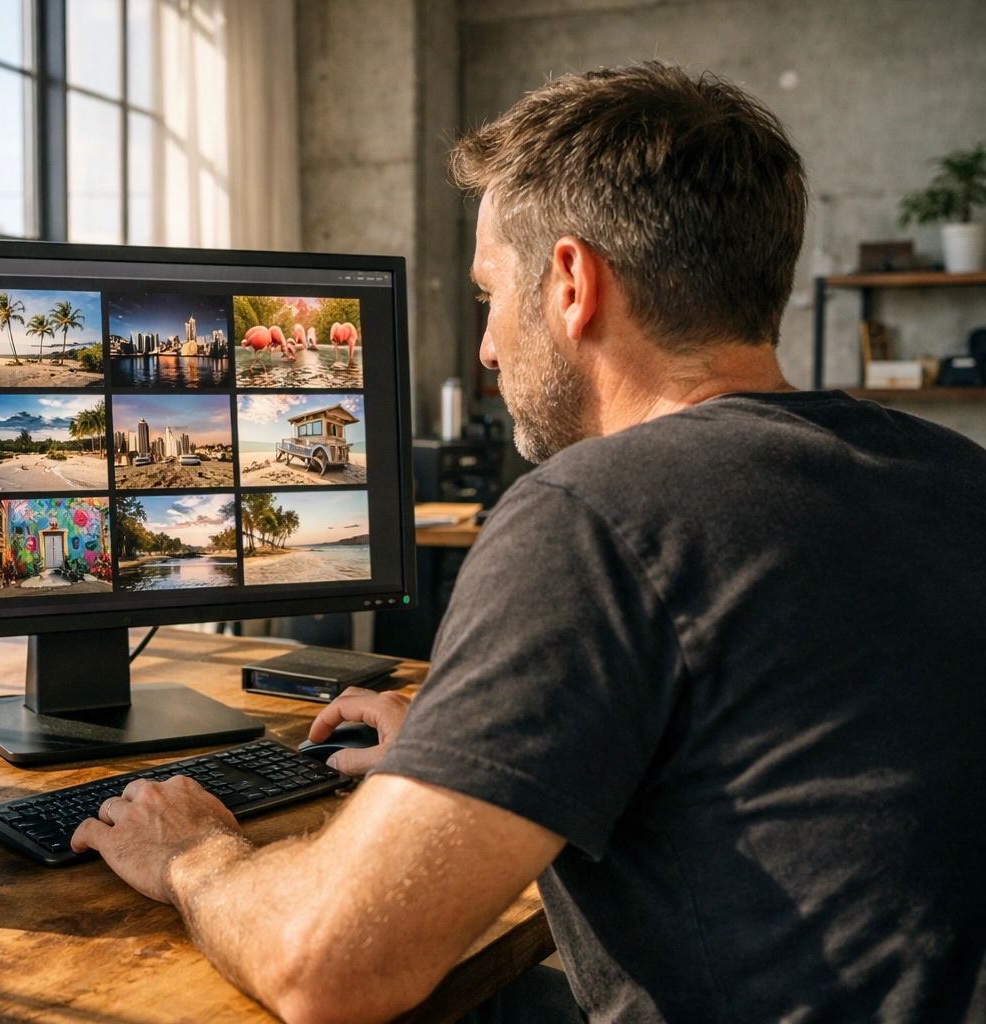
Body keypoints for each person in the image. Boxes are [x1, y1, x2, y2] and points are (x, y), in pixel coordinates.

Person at [70, 61, 986, 1024]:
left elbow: (328, 971)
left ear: (571, 284)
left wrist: (195, 853)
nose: (486, 348)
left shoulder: (595, 515)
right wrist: (460, 754)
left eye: (488, 295)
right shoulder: (952, 473)